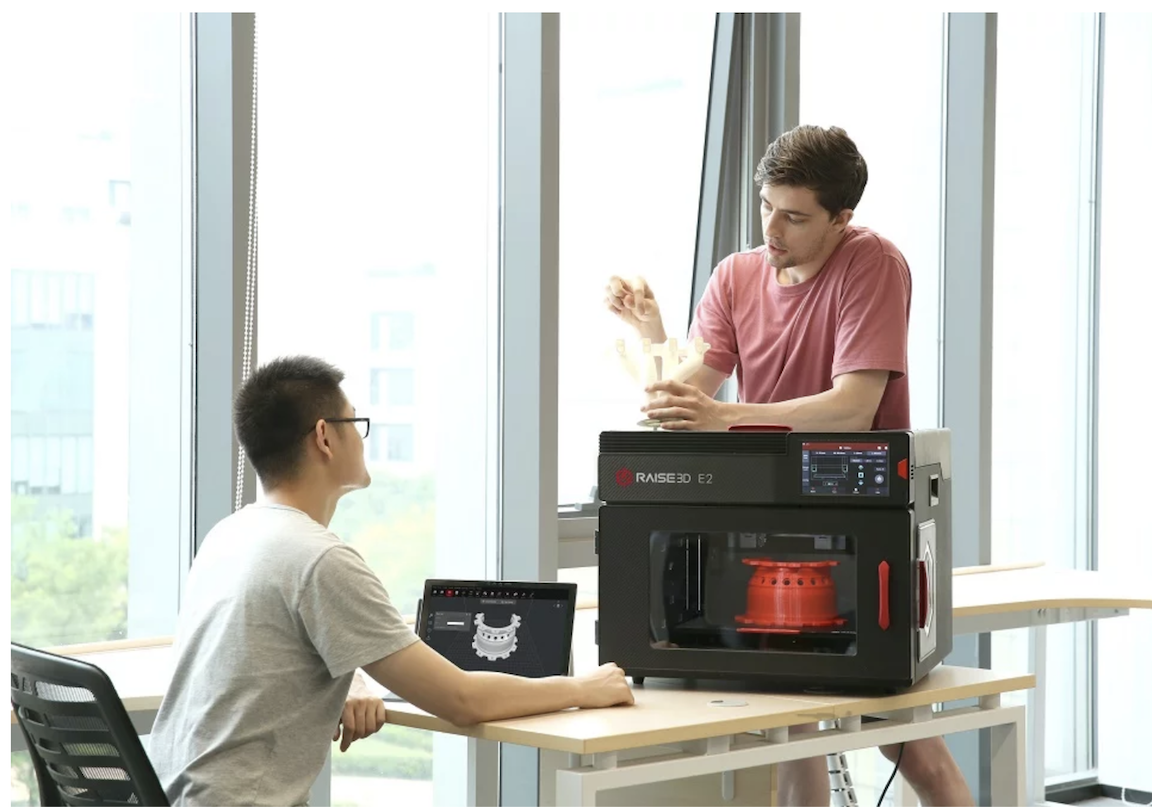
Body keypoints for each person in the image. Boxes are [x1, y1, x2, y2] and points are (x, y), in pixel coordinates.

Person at [605, 124, 971, 807]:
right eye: (765, 206)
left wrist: (724, 417)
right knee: (791, 730)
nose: (771, 230)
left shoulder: (872, 263)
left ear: (841, 218)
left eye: (795, 217)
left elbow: (854, 408)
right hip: (765, 523)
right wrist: (653, 333)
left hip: (858, 522)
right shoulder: (735, 276)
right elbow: (682, 405)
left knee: (903, 738)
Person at [148, 356, 633, 806]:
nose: (363, 440)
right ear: (324, 437)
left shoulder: (231, 535)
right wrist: (582, 688)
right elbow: (461, 700)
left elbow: (270, 651)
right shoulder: (318, 559)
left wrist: (352, 673)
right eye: (355, 423)